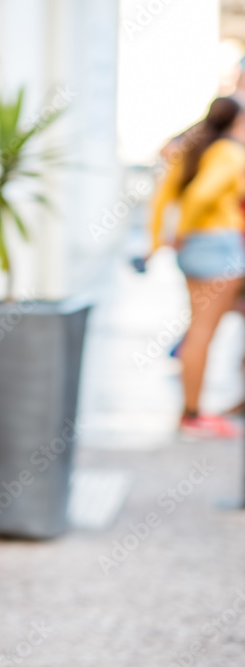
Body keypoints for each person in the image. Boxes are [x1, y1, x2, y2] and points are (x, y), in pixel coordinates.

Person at [147, 96, 245, 439]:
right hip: (216, 245)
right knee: (203, 332)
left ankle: (194, 412)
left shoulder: (192, 150)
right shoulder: (229, 153)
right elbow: (202, 196)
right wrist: (186, 230)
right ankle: (192, 414)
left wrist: (161, 240)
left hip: (199, 247)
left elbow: (163, 197)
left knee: (200, 329)